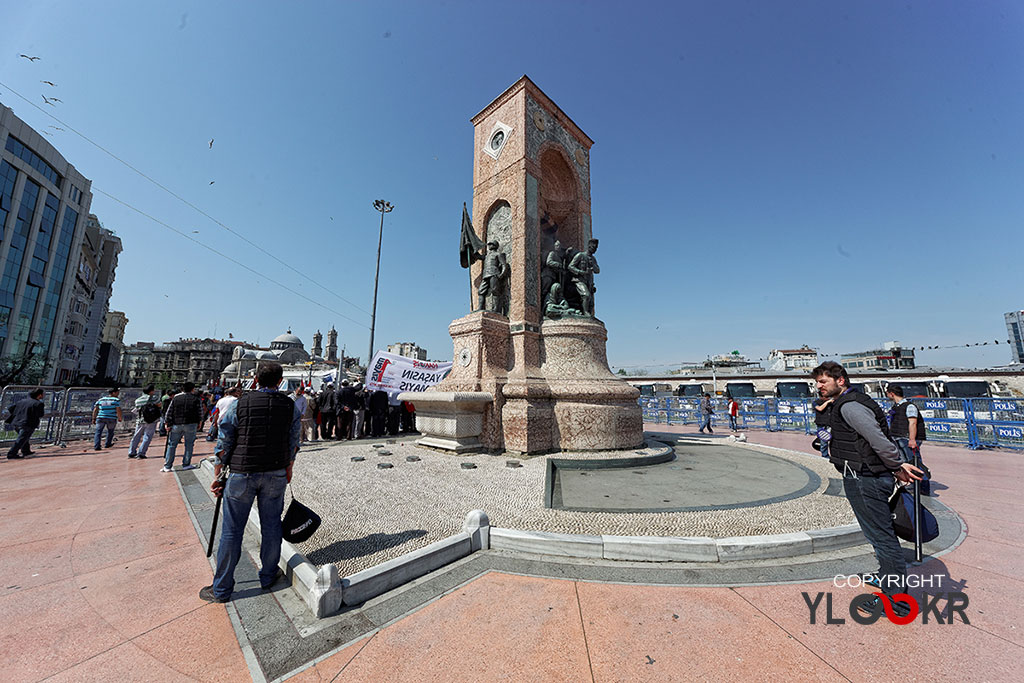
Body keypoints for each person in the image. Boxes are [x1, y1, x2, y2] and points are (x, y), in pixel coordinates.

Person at [812, 361, 923, 617]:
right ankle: (886, 577)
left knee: (882, 539)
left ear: (841, 381)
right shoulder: (848, 402)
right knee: (879, 536)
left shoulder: (850, 406)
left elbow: (877, 439)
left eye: (823, 381)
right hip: (865, 476)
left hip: (866, 479)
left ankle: (897, 603)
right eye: (817, 382)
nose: (819, 386)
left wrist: (897, 465)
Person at [200, 361, 301, 603]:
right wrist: (289, 468)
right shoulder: (291, 406)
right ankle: (268, 575)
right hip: (275, 472)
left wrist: (217, 475)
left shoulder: (239, 404)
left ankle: (222, 588)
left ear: (255, 379)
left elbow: (224, 443)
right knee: (272, 525)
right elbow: (293, 443)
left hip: (241, 473)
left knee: (232, 531)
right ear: (280, 381)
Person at [162, 382, 201, 472]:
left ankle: (167, 466)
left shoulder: (176, 398)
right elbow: (200, 412)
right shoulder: (196, 398)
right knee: (189, 445)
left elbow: (169, 411)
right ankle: (186, 464)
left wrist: (167, 422)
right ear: (192, 389)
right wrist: (200, 422)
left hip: (177, 423)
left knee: (172, 445)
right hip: (191, 423)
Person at [4, 388, 45, 459]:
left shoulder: (21, 401)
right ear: (39, 395)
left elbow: (11, 409)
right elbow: (40, 414)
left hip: (16, 422)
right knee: (21, 439)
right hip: (27, 423)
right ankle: (11, 454)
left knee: (24, 437)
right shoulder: (38, 403)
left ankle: (26, 451)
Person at [568, 238, 600, 316]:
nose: (595, 250)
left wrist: (593, 266)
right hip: (579, 280)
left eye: (596, 248)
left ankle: (588, 314)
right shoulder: (580, 255)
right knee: (586, 295)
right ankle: (585, 312)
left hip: (588, 282)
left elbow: (598, 271)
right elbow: (570, 266)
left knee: (591, 302)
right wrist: (581, 272)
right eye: (593, 247)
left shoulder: (593, 259)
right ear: (589, 246)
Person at [128, 385, 161, 459]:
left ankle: (131, 452)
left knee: (136, 436)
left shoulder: (138, 400)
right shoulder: (154, 398)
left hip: (140, 420)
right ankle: (141, 453)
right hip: (151, 420)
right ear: (151, 391)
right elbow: (159, 405)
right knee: (147, 437)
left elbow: (137, 409)